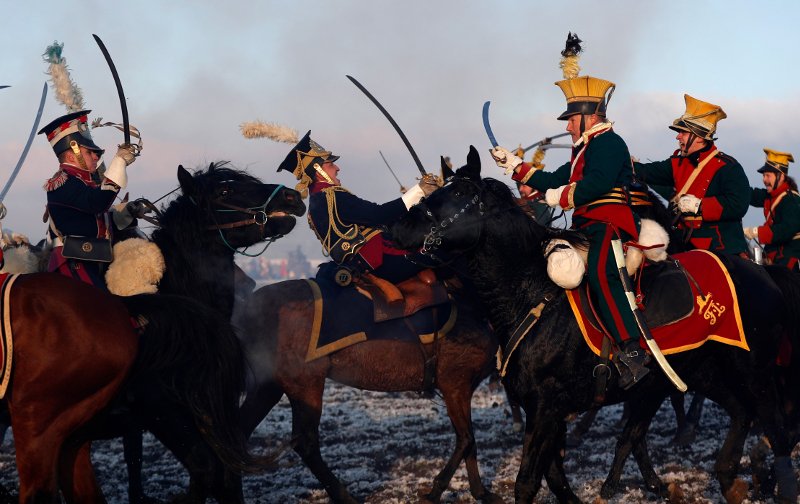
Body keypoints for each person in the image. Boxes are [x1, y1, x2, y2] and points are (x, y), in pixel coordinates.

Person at [490, 68, 648, 388]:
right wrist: (515, 167)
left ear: (589, 117)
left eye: (571, 118)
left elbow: (597, 184)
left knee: (602, 275)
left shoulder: (609, 143)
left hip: (609, 224)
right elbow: (552, 179)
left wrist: (558, 196)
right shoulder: (583, 150)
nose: (567, 125)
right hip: (585, 225)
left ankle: (633, 350)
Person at [277, 130, 439, 284]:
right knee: (441, 255)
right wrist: (419, 191)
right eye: (330, 164)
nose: (337, 168)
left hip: (362, 264)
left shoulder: (317, 202)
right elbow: (378, 215)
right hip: (379, 261)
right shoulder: (332, 196)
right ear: (318, 170)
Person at [633, 95, 750, 255]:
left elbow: (738, 204)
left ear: (700, 136)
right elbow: (648, 172)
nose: (678, 136)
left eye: (683, 132)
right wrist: (627, 164)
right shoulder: (678, 162)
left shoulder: (728, 167)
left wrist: (699, 206)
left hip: (721, 250)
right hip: (683, 246)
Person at [39, 110, 137, 289]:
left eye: (97, 154)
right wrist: (119, 162)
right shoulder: (62, 182)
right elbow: (96, 203)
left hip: (96, 258)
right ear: (71, 155)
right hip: (72, 262)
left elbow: (98, 223)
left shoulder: (86, 183)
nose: (96, 157)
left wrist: (127, 213)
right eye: (90, 152)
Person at [746, 148, 800, 270]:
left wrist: (756, 232)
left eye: (768, 176)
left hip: (791, 258)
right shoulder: (772, 196)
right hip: (776, 255)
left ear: (781, 176)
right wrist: (734, 188)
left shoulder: (791, 200)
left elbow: (786, 230)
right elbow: (750, 194)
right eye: (764, 176)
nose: (764, 180)